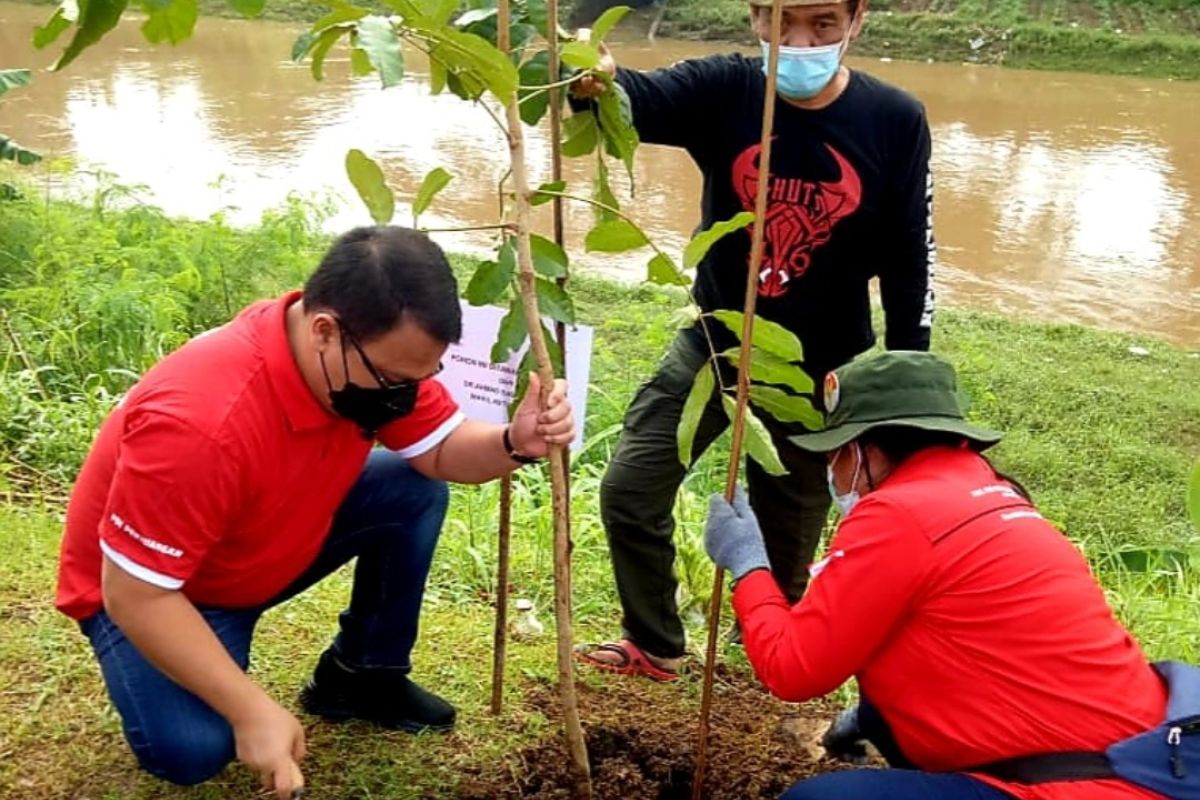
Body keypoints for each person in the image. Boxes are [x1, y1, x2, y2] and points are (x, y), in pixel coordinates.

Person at [55, 226, 575, 798]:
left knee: (411, 490)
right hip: (166, 588)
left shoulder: (363, 360)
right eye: (396, 379)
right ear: (324, 329)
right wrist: (253, 709)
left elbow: (441, 449)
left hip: (261, 543)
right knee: (193, 750)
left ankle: (361, 677)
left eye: (421, 378)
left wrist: (513, 442)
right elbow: (135, 592)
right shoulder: (201, 425)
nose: (405, 393)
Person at [572, 0, 937, 679]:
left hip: (817, 372)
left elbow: (910, 258)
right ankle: (654, 642)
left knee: (786, 537)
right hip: (714, 340)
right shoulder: (726, 88)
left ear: (857, 21)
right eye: (780, 22)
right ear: (754, 16)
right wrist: (591, 79)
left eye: (823, 24)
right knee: (630, 487)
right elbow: (633, 101)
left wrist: (906, 388)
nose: (798, 43)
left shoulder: (895, 120)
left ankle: (769, 658)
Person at [703, 350, 1170, 800]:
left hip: (1075, 785)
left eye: (835, 453)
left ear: (867, 450)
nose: (832, 468)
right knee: (881, 713)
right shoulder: (994, 492)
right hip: (1143, 756)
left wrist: (748, 563)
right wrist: (875, 717)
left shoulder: (897, 513)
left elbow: (792, 669)